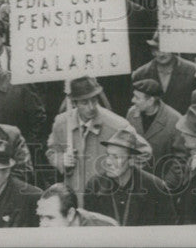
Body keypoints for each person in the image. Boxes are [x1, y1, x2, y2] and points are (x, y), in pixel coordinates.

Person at [45, 76, 151, 207]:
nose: (91, 107)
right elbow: (52, 151)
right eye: (84, 102)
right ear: (74, 103)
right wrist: (61, 160)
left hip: (106, 199)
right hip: (74, 199)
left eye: (94, 100)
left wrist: (121, 173)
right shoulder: (61, 123)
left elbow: (144, 152)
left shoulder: (116, 125)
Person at [83, 129, 175, 226]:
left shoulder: (156, 187)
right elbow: (89, 228)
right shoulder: (94, 185)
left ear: (131, 160)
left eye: (116, 157)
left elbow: (168, 228)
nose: (108, 162)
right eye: (108, 155)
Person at [125, 79, 185, 185]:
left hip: (161, 184)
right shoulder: (131, 114)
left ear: (151, 101)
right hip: (136, 183)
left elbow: (181, 158)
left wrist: (167, 184)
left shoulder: (175, 120)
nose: (132, 100)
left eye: (137, 97)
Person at [131, 34, 196, 115]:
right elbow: (136, 108)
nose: (161, 54)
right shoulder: (140, 74)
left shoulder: (192, 71)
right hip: (152, 125)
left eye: (165, 49)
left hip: (183, 124)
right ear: (152, 51)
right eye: (157, 49)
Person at [35, 183, 118, 227]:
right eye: (40, 218)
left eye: (50, 218)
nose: (42, 225)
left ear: (70, 214)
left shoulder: (104, 230)